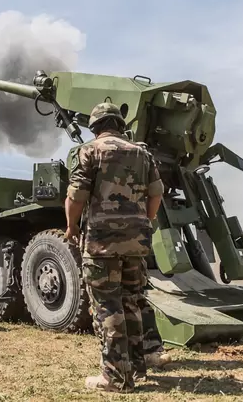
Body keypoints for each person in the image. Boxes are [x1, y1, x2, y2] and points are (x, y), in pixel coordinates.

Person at [65, 102, 164, 393]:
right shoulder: (142, 153)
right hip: (136, 242)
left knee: (108, 305)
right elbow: (157, 193)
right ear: (120, 125)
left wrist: (71, 226)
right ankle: (134, 369)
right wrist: (144, 220)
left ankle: (115, 377)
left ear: (95, 126)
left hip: (101, 243)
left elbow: (76, 196)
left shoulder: (90, 151)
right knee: (131, 302)